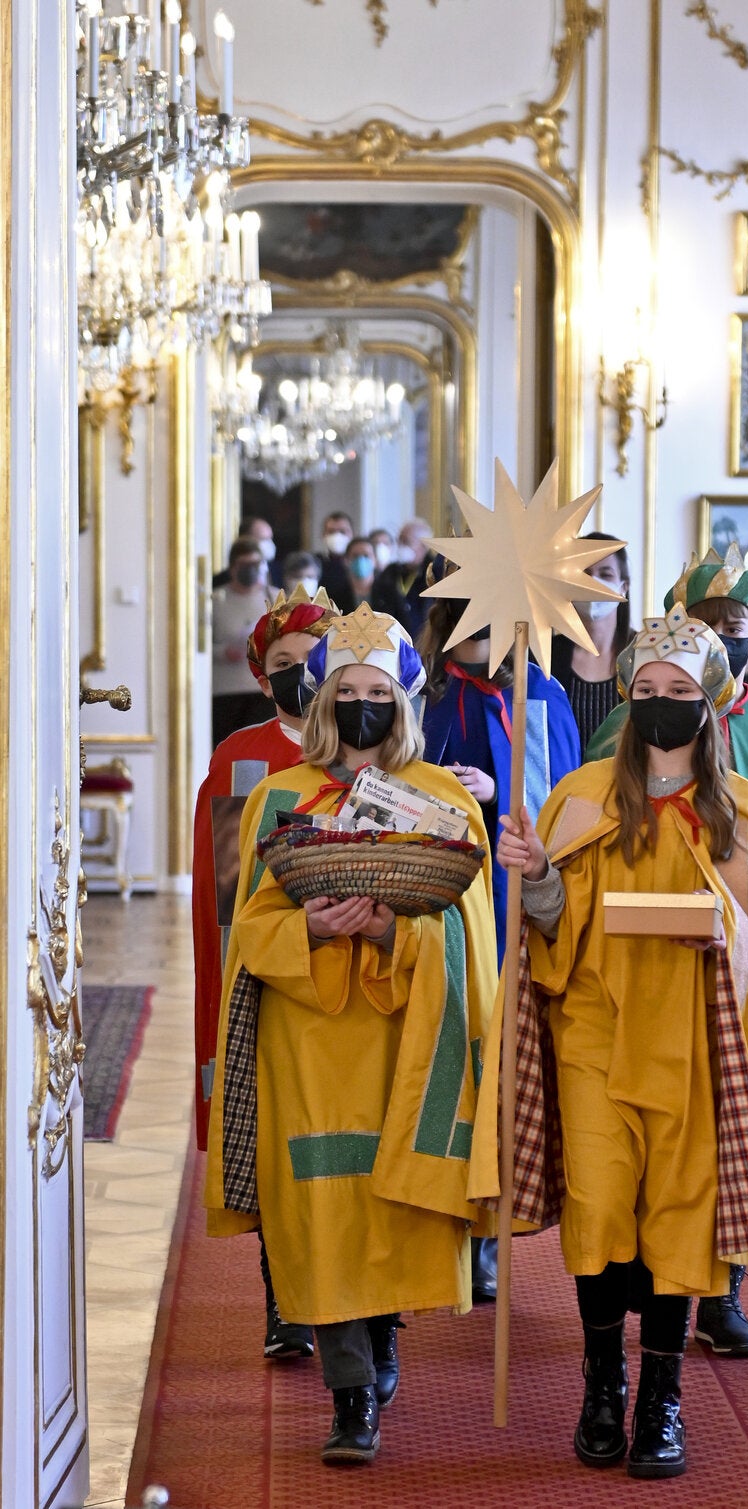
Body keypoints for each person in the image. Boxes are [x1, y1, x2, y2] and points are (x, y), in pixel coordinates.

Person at [496, 605, 748, 1478]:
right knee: (599, 1208)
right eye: (644, 690)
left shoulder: (744, 813)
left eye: (678, 691)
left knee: (678, 1221)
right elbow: (546, 933)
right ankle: (602, 1381)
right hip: (594, 1033)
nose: (660, 703)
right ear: (626, 699)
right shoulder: (578, 798)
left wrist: (726, 932)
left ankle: (661, 1397)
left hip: (696, 1048)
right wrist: (541, 877)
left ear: (710, 703)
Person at [204, 603, 498, 1467]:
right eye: (346, 689)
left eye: (378, 691)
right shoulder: (278, 796)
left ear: (403, 701)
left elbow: (471, 940)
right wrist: (315, 929)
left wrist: (388, 934)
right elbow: (249, 930)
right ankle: (349, 1393)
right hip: (310, 1040)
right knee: (321, 1212)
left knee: (387, 1204)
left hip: (406, 1036)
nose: (361, 704)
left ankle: (383, 1339)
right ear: (323, 698)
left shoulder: (444, 799)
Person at [587, 544, 748, 1357]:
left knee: (736, 1124)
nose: (723, 636)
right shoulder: (624, 725)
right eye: (705, 623)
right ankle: (633, 1293)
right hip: (625, 982)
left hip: (743, 959)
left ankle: (724, 1290)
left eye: (738, 628)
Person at [418, 568, 581, 1303]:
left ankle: (490, 1228)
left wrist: (497, 789)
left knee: (503, 1063)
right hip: (444, 903)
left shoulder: (537, 696)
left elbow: (562, 802)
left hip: (513, 902)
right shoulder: (426, 694)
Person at [192, 585, 339, 1360]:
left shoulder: (361, 745)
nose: (302, 674)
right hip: (270, 965)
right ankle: (282, 1295)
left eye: (314, 660)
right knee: (275, 1125)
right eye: (285, 664)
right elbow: (224, 896)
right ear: (262, 675)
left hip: (355, 968)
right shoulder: (241, 757)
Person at [550, 531, 635, 756]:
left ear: (623, 587)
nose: (592, 582)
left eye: (605, 574)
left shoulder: (646, 652)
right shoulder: (544, 656)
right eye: (585, 573)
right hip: (561, 787)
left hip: (628, 785)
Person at [211, 537, 274, 744]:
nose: (250, 570)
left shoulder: (274, 597)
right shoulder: (215, 600)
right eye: (244, 565)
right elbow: (197, 647)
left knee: (260, 749)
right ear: (232, 568)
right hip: (225, 691)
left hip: (262, 690)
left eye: (255, 564)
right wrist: (222, 652)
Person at [372, 516, 434, 639]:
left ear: (424, 546)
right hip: (391, 640)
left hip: (424, 642)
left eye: (406, 542)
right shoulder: (390, 572)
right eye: (399, 540)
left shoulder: (435, 574)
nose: (400, 546)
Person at [212, 515, 281, 589]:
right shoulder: (220, 582)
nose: (269, 544)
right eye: (264, 539)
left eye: (270, 538)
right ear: (246, 539)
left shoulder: (278, 573)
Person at [317, 510, 356, 611]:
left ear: (352, 534)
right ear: (323, 535)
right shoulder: (315, 564)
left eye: (343, 531)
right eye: (331, 531)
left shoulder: (358, 564)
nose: (337, 536)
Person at [345, 535, 378, 604]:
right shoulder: (334, 595)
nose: (360, 560)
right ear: (346, 560)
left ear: (375, 560)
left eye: (366, 555)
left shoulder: (391, 593)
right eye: (355, 556)